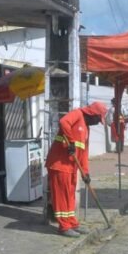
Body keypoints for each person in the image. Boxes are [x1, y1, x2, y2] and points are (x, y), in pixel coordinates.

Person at [45, 101, 107, 237]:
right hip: (59, 164)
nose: (98, 123)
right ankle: (64, 227)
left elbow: (84, 153)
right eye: (98, 119)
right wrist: (71, 141)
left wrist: (86, 173)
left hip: (72, 166)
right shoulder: (77, 114)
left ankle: (72, 223)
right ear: (93, 114)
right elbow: (63, 122)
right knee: (62, 195)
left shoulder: (86, 129)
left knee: (70, 195)